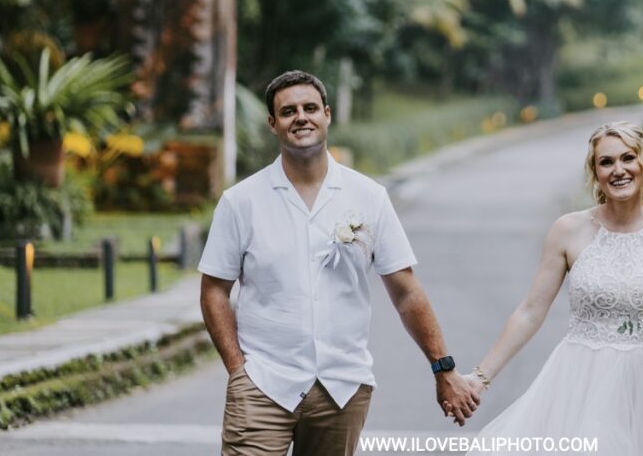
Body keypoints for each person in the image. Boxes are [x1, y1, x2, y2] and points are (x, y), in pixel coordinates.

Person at [199, 71, 480, 456]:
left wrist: (442, 367)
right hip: (263, 383)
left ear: (327, 115)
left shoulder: (369, 196)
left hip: (342, 387)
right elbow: (214, 290)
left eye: (310, 108)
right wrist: (238, 371)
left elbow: (406, 292)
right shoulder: (241, 201)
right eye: (288, 111)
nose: (301, 117)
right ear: (273, 123)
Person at [459, 121, 643, 455]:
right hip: (580, 383)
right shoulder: (568, 230)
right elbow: (530, 312)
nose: (619, 170)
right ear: (595, 172)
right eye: (606, 162)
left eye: (627, 158)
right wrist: (480, 377)